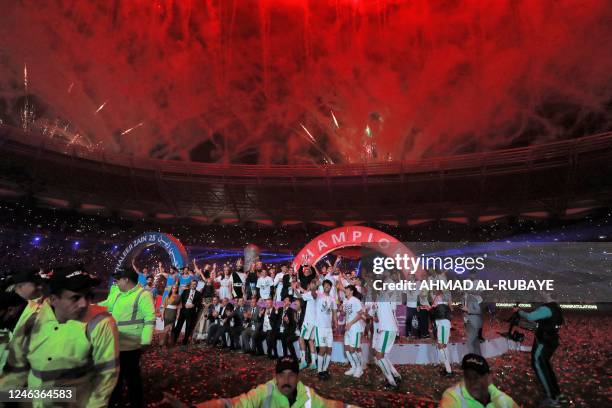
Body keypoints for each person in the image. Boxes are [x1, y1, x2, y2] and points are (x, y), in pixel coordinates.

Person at [0, 265, 119, 408]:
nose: (84, 304)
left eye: (88, 296)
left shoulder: (101, 323)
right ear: (53, 299)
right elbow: (15, 371)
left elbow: (106, 377)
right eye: (75, 297)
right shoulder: (31, 319)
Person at [163, 356, 350, 408]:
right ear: (275, 376)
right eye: (281, 374)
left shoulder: (309, 398)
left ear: (298, 377)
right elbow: (229, 404)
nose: (286, 380)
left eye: (291, 374)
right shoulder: (264, 392)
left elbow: (339, 406)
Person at [104, 267, 156, 408]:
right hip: (116, 342)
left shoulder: (143, 294)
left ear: (126, 279)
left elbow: (150, 318)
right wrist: (88, 307)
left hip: (131, 345)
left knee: (132, 377)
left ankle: (136, 402)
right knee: (116, 377)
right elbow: (106, 306)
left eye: (118, 280)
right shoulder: (120, 294)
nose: (116, 283)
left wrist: (145, 341)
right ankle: (116, 401)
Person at [515, 293, 565, 407]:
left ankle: (551, 397)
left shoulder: (546, 308)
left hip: (543, 342)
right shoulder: (556, 307)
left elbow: (530, 317)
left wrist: (519, 311)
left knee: (539, 365)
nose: (541, 294)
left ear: (549, 295)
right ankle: (556, 394)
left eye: (544, 292)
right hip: (551, 340)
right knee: (547, 368)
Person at [440, 353, 518, 407]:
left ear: (488, 378)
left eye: (477, 377)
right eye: (467, 376)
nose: (472, 382)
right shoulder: (452, 397)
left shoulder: (504, 402)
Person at [370, 293, 402, 390]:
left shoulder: (384, 296)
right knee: (377, 353)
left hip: (388, 329)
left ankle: (391, 382)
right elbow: (375, 318)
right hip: (383, 330)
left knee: (379, 356)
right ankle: (396, 375)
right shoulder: (375, 302)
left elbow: (392, 310)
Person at [312, 279, 337, 380]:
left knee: (329, 349)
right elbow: (313, 293)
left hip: (329, 328)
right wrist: (315, 286)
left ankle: (325, 369)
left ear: (331, 287)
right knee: (322, 349)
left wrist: (335, 322)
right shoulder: (319, 295)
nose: (327, 287)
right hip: (320, 327)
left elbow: (334, 311)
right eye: (325, 285)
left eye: (329, 286)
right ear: (323, 286)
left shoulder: (332, 299)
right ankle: (320, 371)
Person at [343, 285, 365, 378]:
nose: (345, 291)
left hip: (355, 328)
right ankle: (353, 367)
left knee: (353, 349)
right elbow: (347, 314)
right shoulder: (346, 301)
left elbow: (360, 314)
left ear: (351, 291)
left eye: (347, 290)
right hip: (348, 328)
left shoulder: (355, 300)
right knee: (347, 348)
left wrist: (351, 323)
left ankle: (359, 368)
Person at [173, 279, 203, 345]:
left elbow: (199, 304)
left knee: (188, 327)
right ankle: (174, 339)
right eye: (192, 284)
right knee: (178, 326)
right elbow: (181, 300)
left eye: (194, 284)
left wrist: (194, 305)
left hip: (191, 312)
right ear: (190, 284)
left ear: (196, 285)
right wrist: (184, 305)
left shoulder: (198, 294)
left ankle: (185, 341)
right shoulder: (185, 291)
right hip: (183, 310)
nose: (193, 285)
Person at [431, 290, 453, 377]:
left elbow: (434, 306)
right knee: (443, 346)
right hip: (443, 324)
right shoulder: (440, 299)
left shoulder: (441, 298)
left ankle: (449, 370)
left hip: (443, 324)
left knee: (441, 346)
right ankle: (448, 368)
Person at [297, 280, 318, 370]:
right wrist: (297, 288)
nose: (310, 286)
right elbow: (302, 295)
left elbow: (301, 296)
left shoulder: (312, 294)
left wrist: (295, 289)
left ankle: (303, 361)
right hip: (315, 322)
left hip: (309, 322)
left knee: (301, 339)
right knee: (310, 341)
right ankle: (313, 363)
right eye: (310, 284)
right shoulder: (314, 294)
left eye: (312, 284)